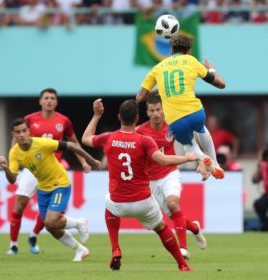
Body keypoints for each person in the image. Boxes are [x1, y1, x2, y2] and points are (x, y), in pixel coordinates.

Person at [82, 99, 198, 271]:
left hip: (119, 203)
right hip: (143, 202)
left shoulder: (109, 138)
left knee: (109, 204)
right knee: (162, 228)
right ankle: (182, 264)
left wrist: (97, 115)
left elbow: (85, 139)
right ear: (137, 118)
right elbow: (164, 161)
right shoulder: (145, 140)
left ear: (119, 117)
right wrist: (187, 158)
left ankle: (115, 248)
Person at [0, 118, 101, 261]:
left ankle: (79, 223)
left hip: (60, 183)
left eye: (24, 131)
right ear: (13, 135)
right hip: (43, 188)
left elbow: (71, 145)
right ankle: (80, 250)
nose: (21, 134)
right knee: (50, 226)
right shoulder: (14, 153)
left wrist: (90, 160)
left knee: (52, 221)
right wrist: (5, 168)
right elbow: (12, 179)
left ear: (29, 132)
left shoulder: (42, 143)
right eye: (17, 132)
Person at [7, 88, 92, 255]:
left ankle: (33, 235)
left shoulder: (64, 121)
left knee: (50, 219)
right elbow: (16, 139)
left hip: (53, 168)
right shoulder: (29, 119)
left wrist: (84, 161)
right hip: (31, 170)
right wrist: (14, 160)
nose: (49, 101)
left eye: (52, 98)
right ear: (40, 101)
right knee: (19, 206)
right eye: (46, 98)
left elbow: (72, 141)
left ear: (56, 101)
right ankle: (13, 245)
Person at [136, 33, 226, 180]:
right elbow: (221, 84)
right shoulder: (192, 61)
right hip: (196, 112)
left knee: (187, 144)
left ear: (171, 51)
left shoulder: (158, 68)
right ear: (188, 51)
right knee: (201, 128)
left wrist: (159, 89)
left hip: (175, 119)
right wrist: (211, 69)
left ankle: (203, 158)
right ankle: (215, 163)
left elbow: (140, 97)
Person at [136, 95, 206, 260]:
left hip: (170, 173)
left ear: (163, 109)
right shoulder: (140, 131)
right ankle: (194, 228)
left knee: (173, 204)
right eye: (152, 110)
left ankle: (183, 248)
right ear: (147, 112)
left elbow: (191, 142)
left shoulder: (172, 126)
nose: (156, 114)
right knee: (174, 216)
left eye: (158, 109)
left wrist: (202, 163)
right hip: (151, 180)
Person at [252, 146, 268, 231]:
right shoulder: (264, 166)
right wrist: (259, 163)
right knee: (259, 204)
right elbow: (254, 179)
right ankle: (267, 225)